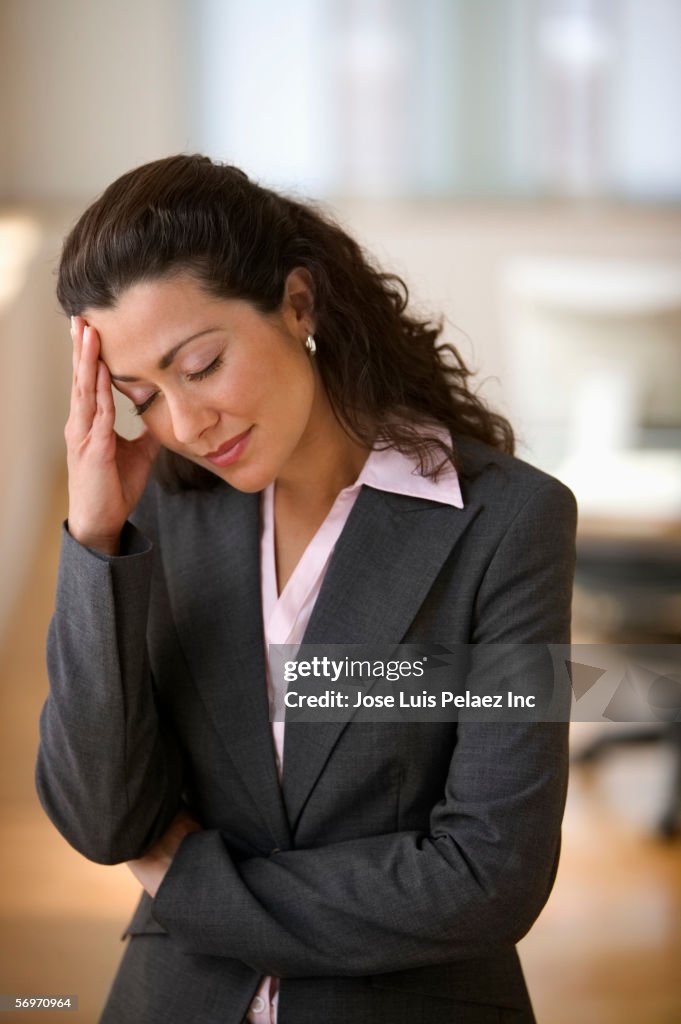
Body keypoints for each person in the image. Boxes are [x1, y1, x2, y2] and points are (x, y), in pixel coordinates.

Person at [36, 154, 577, 1024]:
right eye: (142, 397)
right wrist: (96, 539)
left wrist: (190, 880)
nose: (184, 424)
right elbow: (103, 822)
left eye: (202, 364)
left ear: (297, 304)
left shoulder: (507, 522)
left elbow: (488, 874)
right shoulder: (166, 520)